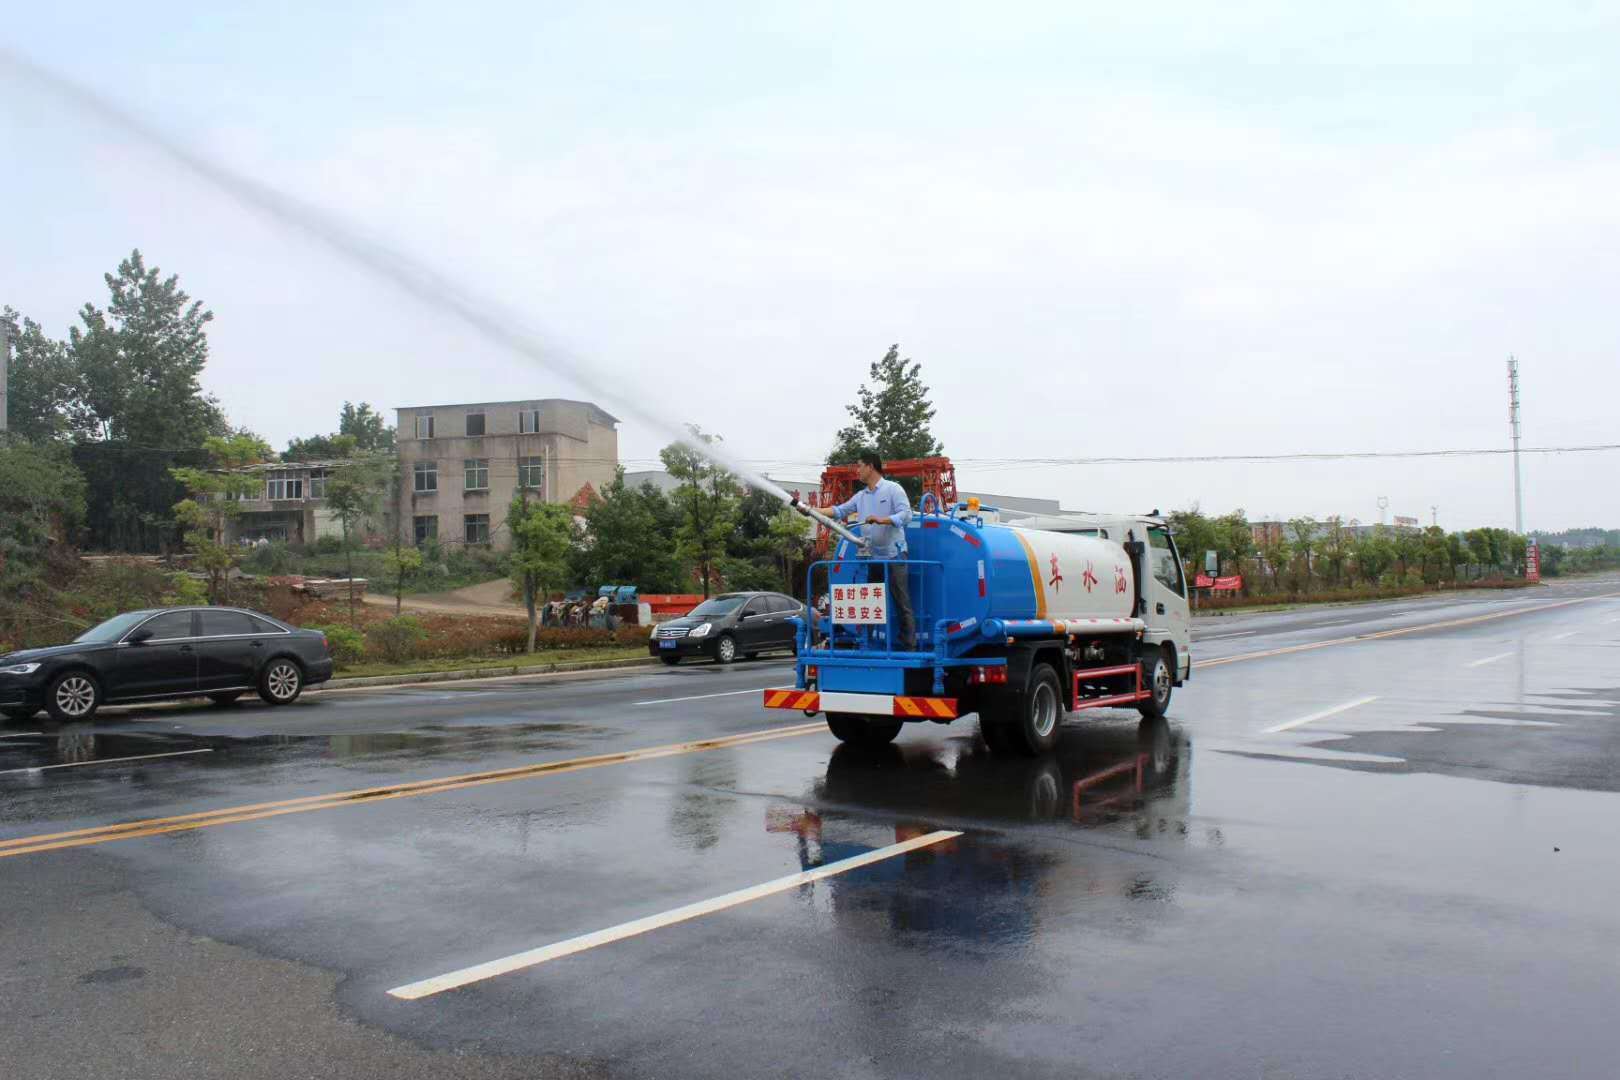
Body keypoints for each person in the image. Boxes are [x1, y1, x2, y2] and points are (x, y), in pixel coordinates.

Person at [796, 451, 916, 650]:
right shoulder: (861, 497)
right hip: (873, 556)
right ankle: (869, 642)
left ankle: (909, 645)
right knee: (870, 601)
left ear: (870, 466)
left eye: (859, 466)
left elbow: (906, 514)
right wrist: (810, 510)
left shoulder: (893, 489)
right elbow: (838, 511)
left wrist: (882, 519)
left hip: (895, 554)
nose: (857, 471)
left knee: (901, 600)